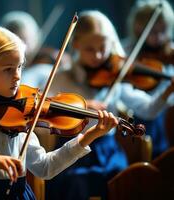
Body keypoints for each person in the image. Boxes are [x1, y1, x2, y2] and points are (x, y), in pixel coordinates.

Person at [0, 25, 119, 199]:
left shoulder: (20, 115)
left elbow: (45, 168)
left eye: (20, 67)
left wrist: (88, 137)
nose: (18, 76)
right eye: (8, 69)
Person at [46, 10, 174, 200]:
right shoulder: (62, 77)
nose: (98, 55)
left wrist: (168, 90)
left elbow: (149, 110)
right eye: (90, 49)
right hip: (72, 152)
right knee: (76, 184)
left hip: (108, 151)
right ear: (76, 44)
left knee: (124, 182)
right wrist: (82, 106)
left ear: (112, 44)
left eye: (103, 48)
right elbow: (44, 109)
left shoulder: (117, 76)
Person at [125, 0, 174, 157]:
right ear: (138, 30)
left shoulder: (170, 52)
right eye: (152, 32)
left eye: (163, 30)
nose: (159, 37)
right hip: (140, 115)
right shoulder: (129, 51)